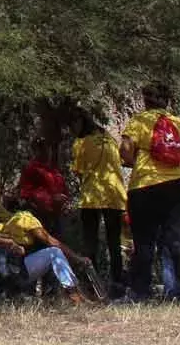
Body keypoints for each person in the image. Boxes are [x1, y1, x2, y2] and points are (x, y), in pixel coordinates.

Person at [120, 84, 180, 301]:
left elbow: (125, 149)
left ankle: (140, 292)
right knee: (177, 239)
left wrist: (134, 163)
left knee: (144, 241)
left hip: (144, 186)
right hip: (176, 186)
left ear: (146, 101)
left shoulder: (139, 121)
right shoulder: (179, 124)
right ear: (167, 101)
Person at [0, 194, 95, 304]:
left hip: (11, 268)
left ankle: (54, 296)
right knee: (55, 253)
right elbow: (51, 241)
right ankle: (72, 294)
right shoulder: (27, 218)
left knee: (50, 257)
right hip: (18, 269)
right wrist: (78, 258)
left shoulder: (13, 219)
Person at [71, 114, 127, 293]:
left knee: (90, 242)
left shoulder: (81, 143)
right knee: (114, 243)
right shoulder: (110, 140)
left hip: (92, 197)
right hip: (114, 195)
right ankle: (117, 282)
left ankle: (92, 284)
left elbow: (78, 171)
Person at [18, 138, 71, 239]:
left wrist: (65, 201)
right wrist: (51, 199)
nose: (46, 152)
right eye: (41, 149)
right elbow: (26, 193)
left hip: (57, 216)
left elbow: (63, 189)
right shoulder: (31, 169)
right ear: (35, 151)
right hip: (41, 217)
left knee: (59, 246)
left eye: (47, 149)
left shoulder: (53, 170)